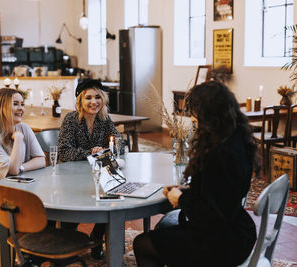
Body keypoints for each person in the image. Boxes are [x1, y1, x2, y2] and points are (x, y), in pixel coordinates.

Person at [133, 81, 261, 267]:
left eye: (196, 113)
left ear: (210, 114)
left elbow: (211, 216)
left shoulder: (218, 154)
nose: (193, 119)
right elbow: (220, 194)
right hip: (239, 230)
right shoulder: (238, 139)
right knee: (164, 231)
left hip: (222, 243)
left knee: (143, 244)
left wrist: (180, 199)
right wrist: (187, 190)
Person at [57, 79, 122, 259]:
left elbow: (119, 143)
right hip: (71, 176)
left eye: (97, 97)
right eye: (88, 98)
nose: (94, 102)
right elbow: (64, 152)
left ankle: (97, 237)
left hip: (97, 174)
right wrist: (91, 153)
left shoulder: (104, 118)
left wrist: (109, 148)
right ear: (80, 101)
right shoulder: (71, 119)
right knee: (73, 213)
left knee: (113, 201)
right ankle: (66, 244)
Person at [0, 88, 45, 221]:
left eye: (22, 104)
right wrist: (18, 140)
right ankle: (20, 242)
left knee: (46, 208)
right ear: (1, 107)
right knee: (38, 213)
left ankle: (39, 241)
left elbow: (41, 160)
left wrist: (22, 168)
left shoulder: (24, 128)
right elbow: (12, 169)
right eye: (15, 104)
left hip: (20, 192)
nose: (21, 108)